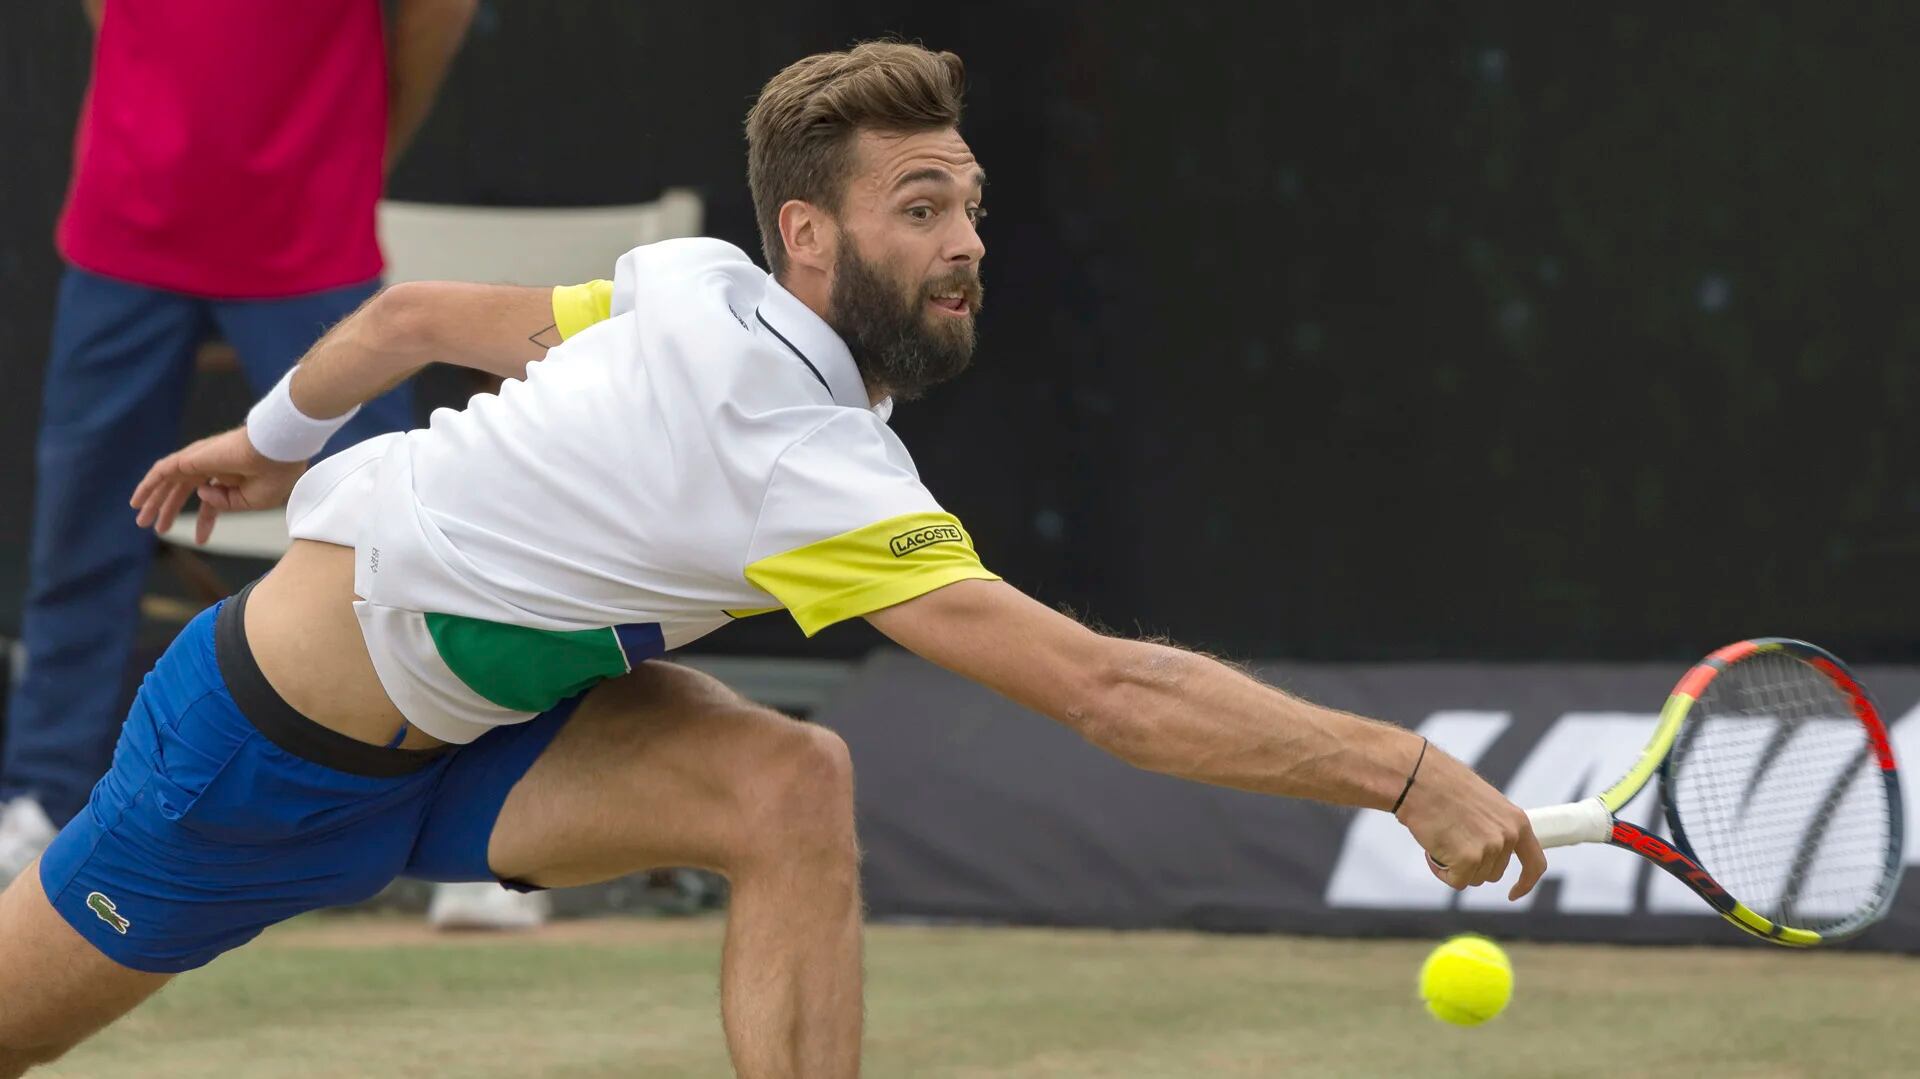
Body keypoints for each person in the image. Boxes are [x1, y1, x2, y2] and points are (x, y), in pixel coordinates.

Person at [0, 42, 1546, 1077]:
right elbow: (1106, 689)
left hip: (486, 742)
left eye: (973, 207)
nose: (967, 245)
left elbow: (407, 326)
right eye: (921, 208)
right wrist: (1404, 773)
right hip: (254, 763)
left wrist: (272, 437)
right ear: (810, 237)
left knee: (788, 782)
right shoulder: (797, 459)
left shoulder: (696, 286)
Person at [0, 0, 476, 889]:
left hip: (311, 227)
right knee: (81, 532)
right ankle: (41, 799)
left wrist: (346, 154)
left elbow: (438, 17)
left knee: (394, 537)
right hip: (125, 218)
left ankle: (455, 816)